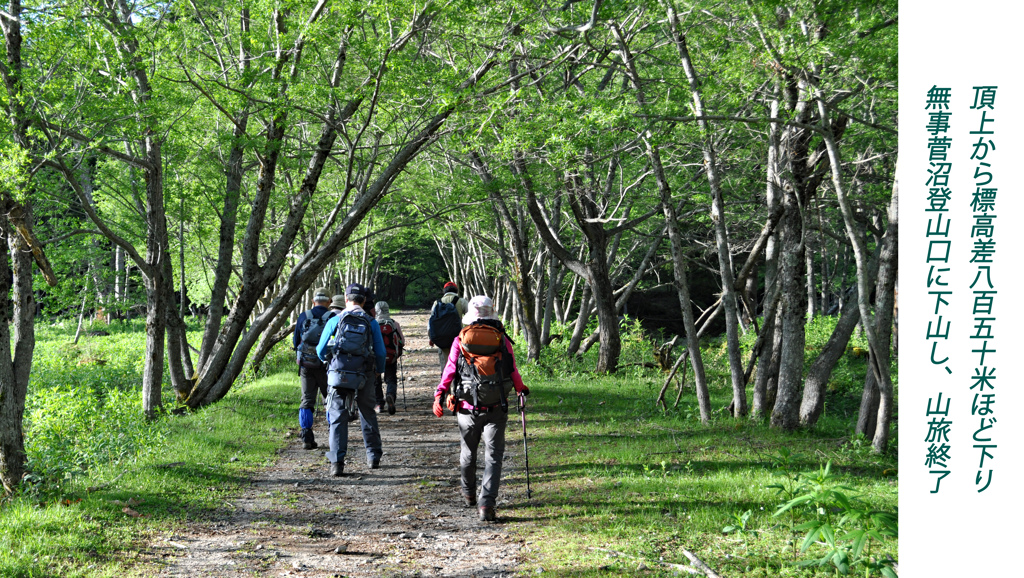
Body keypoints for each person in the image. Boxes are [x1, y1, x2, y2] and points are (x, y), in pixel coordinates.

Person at [432, 295, 529, 521]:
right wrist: (520, 388)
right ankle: (486, 505)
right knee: (493, 456)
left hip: (467, 407)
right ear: (491, 313)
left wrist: (439, 394)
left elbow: (449, 372)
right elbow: (512, 369)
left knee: (468, 453)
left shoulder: (460, 340)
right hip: (496, 406)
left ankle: (468, 493)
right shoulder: (501, 339)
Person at [316, 283, 387, 477]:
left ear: (346, 299)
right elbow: (380, 352)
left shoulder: (336, 319)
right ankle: (373, 456)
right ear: (364, 302)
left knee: (338, 416)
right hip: (363, 373)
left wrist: (327, 360)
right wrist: (378, 371)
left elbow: (320, 349)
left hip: (339, 374)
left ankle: (337, 463)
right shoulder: (370, 322)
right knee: (367, 413)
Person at [292, 287, 337, 450]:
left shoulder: (304, 316)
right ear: (329, 302)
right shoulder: (333, 317)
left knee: (307, 399)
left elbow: (296, 341)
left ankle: (306, 436)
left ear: (313, 301)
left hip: (306, 364)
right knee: (331, 399)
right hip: (327, 365)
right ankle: (334, 432)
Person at [374, 301, 404, 415]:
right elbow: (402, 341)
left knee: (376, 381)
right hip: (391, 356)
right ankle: (390, 395)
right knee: (391, 379)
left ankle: (379, 404)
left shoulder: (374, 323)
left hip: (377, 357)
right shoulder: (394, 324)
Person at [428, 281, 468, 368]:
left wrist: (431, 337)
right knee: (458, 360)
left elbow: (431, 322)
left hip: (441, 337)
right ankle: (458, 379)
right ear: (456, 290)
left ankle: (446, 379)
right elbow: (471, 319)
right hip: (457, 337)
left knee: (445, 364)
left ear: (444, 291)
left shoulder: (437, 302)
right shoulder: (461, 301)